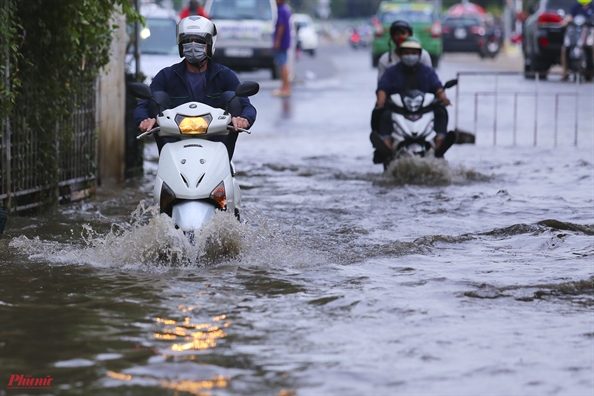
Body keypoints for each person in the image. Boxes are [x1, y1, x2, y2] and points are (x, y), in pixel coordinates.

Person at [134, 16, 256, 160]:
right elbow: (144, 104)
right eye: (187, 41)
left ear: (209, 44)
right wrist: (144, 120)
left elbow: (247, 106)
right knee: (158, 97)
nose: (193, 45)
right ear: (180, 45)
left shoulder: (224, 75)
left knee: (231, 97)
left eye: (199, 41)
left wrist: (244, 119)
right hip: (175, 143)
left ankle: (223, 163)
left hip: (217, 142)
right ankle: (168, 162)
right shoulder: (166, 75)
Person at [370, 37, 451, 164]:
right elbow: (383, 88)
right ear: (401, 54)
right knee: (382, 114)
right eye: (407, 53)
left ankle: (440, 140)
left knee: (441, 112)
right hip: (398, 109)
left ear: (419, 55)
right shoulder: (392, 72)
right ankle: (386, 143)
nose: (410, 56)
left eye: (413, 53)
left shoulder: (427, 71)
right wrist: (380, 100)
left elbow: (437, 87)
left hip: (423, 109)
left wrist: (443, 98)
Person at [560, 0, 594, 80]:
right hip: (576, 33)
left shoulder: (592, 7)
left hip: (588, 33)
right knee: (564, 48)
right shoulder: (576, 7)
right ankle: (565, 72)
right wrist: (565, 21)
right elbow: (568, 17)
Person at [272, 0, 292, 97]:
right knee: (283, 64)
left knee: (282, 64)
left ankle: (285, 87)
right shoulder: (285, 9)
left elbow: (281, 26)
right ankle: (285, 86)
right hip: (285, 41)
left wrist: (277, 40)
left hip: (282, 42)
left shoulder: (281, 10)